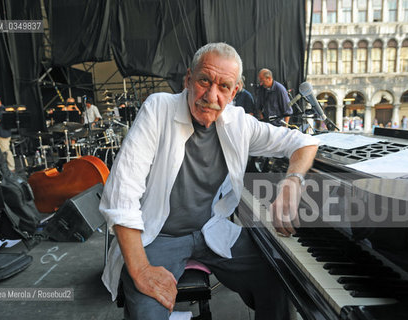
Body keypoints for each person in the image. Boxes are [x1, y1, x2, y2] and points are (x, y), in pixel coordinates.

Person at [99, 42, 319, 320]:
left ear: (235, 91)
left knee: (278, 277)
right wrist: (141, 269)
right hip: (158, 237)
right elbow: (121, 196)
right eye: (204, 80)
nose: (211, 95)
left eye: (224, 86)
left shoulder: (240, 122)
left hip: (210, 229)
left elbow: (304, 142)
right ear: (188, 79)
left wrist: (292, 182)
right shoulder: (158, 109)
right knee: (147, 313)